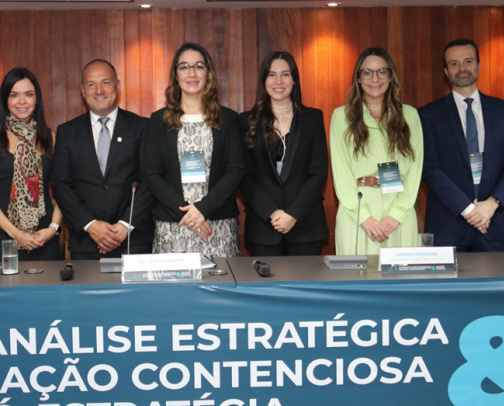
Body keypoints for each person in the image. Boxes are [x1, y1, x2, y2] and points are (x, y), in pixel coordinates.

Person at [419, 39, 504, 252]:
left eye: (468, 61)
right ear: (446, 71)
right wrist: (469, 210)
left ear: (478, 65)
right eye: (454, 63)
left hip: (492, 224)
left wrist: (492, 204)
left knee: (497, 277)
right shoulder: (428, 115)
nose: (462, 68)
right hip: (448, 227)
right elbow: (429, 168)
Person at [143, 42, 244, 258]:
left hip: (217, 225)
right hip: (173, 226)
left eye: (199, 66)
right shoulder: (159, 121)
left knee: (222, 279)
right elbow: (152, 174)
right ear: (176, 75)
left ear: (208, 73)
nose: (192, 73)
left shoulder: (228, 119)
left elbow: (235, 170)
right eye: (184, 67)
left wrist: (203, 209)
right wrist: (189, 215)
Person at [52, 59, 153, 259]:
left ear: (118, 86)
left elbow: (149, 181)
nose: (99, 90)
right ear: (83, 91)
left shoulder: (142, 127)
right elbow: (61, 185)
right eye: (91, 84)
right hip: (86, 244)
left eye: (105, 82)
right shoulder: (67, 132)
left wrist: (125, 225)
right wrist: (91, 225)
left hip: (133, 242)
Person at [329, 47, 423, 255]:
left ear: (390, 76)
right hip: (357, 213)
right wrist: (365, 218)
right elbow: (341, 174)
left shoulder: (410, 115)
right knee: (356, 275)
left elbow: (415, 171)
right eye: (367, 72)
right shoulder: (341, 117)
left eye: (382, 71)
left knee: (402, 274)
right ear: (358, 78)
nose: (375, 78)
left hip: (400, 212)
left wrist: (396, 215)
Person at [240, 51, 329, 256]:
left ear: (294, 79)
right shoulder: (246, 121)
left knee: (306, 279)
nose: (278, 81)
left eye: (285, 74)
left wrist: (293, 214)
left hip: (306, 225)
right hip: (264, 227)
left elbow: (319, 172)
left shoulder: (312, 118)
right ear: (264, 80)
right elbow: (244, 176)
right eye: (272, 75)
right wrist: (272, 212)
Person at [0, 68, 62, 262]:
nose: (22, 101)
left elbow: (63, 189)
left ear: (36, 99)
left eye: (28, 94)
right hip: (5, 235)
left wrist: (53, 228)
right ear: (5, 100)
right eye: (14, 95)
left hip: (45, 236)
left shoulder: (50, 137)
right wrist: (16, 233)